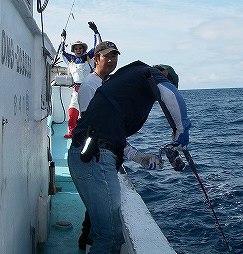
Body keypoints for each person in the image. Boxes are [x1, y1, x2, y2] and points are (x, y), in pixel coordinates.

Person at [68, 58, 191, 253]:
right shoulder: (150, 73)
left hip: (87, 156)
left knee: (101, 233)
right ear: (164, 75)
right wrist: (181, 131)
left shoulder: (124, 84)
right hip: (94, 159)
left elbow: (109, 133)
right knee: (109, 239)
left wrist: (138, 157)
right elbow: (170, 94)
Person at [76, 41, 163, 250]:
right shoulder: (91, 85)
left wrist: (133, 154)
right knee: (103, 225)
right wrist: (134, 155)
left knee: (97, 214)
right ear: (96, 59)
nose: (112, 60)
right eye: (107, 56)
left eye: (115, 56)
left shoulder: (108, 83)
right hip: (95, 154)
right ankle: (85, 239)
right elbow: (97, 126)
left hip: (105, 152)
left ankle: (87, 238)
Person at [59, 21, 101, 138]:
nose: (78, 50)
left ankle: (91, 133)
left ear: (83, 49)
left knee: (89, 112)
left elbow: (98, 46)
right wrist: (63, 39)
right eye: (76, 48)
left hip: (88, 88)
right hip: (76, 89)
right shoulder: (70, 60)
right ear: (74, 50)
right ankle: (71, 132)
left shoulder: (89, 58)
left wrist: (95, 32)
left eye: (80, 48)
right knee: (72, 111)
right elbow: (62, 52)